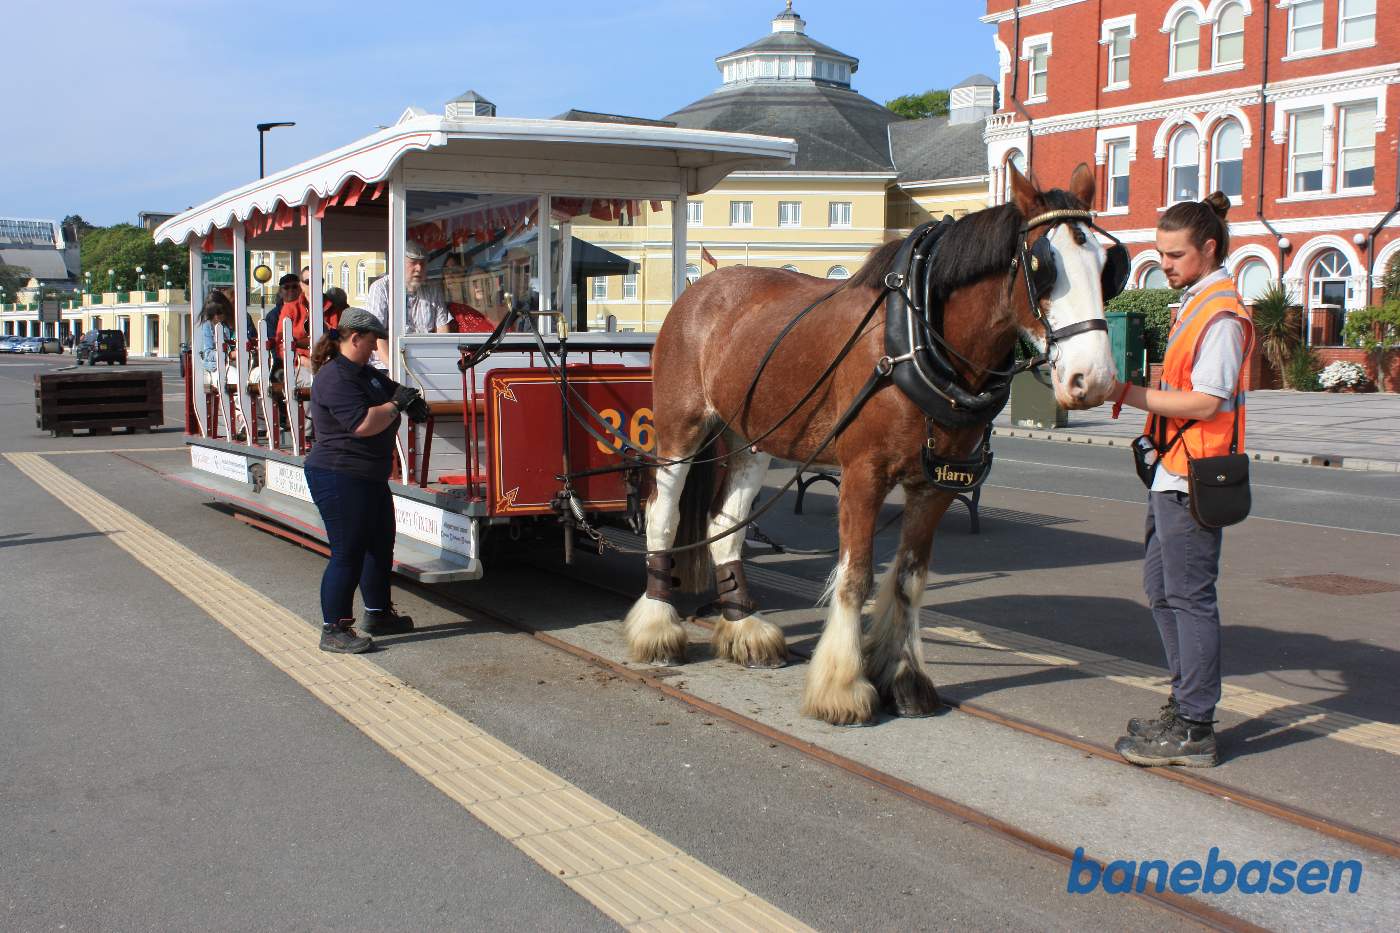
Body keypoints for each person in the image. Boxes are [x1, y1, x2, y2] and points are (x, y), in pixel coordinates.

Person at [1108, 192, 1252, 769]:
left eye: (1174, 253)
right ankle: (1185, 703)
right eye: (1160, 252)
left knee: (1190, 599)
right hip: (1173, 470)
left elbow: (1206, 400)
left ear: (1208, 249)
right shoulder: (1195, 302)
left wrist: (1125, 393)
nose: (1163, 263)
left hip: (1194, 475)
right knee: (1163, 590)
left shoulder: (1220, 312)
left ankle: (1195, 726)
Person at [304, 308, 427, 653]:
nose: (375, 349)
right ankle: (334, 628)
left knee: (379, 544)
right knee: (348, 552)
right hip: (339, 475)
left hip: (369, 476)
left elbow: (394, 390)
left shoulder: (364, 374)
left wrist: (410, 400)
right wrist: (395, 407)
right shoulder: (335, 378)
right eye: (372, 342)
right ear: (354, 338)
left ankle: (378, 613)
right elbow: (363, 424)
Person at [365, 240, 450, 364]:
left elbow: (443, 330)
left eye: (422, 263)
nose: (419, 268)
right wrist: (394, 370)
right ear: (399, 263)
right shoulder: (381, 288)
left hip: (426, 364)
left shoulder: (433, 290)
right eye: (413, 263)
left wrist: (442, 363)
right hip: (386, 366)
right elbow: (376, 336)